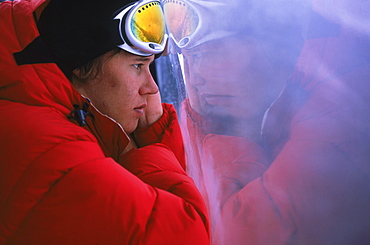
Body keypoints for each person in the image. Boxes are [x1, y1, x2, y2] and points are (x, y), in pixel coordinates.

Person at [0, 0, 210, 244]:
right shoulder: (51, 148)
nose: (152, 88)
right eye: (137, 66)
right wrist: (149, 146)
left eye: (150, 67)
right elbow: (183, 233)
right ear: (81, 63)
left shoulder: (32, 107)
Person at [163, 0, 370, 244]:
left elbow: (238, 234)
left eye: (207, 54)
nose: (195, 79)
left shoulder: (342, 106)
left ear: (267, 41)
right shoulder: (276, 105)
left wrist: (215, 130)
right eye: (189, 60)